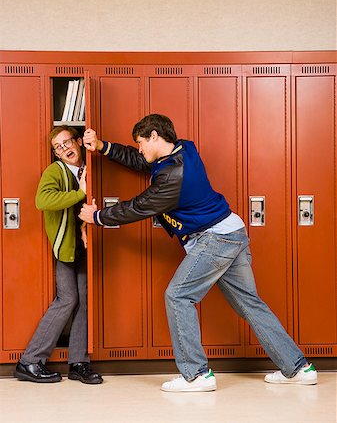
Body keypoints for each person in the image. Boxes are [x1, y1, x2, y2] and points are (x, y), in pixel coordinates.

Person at [80, 114, 317, 392]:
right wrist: (102, 146)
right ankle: (299, 368)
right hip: (233, 232)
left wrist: (97, 216)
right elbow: (141, 160)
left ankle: (196, 374)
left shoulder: (172, 177)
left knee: (178, 295)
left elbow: (139, 206)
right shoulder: (185, 148)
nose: (140, 148)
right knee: (250, 304)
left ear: (155, 136)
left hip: (214, 239)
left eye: (141, 142)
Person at [14, 125, 103, 385]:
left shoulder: (90, 168)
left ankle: (78, 364)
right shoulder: (55, 172)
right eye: (58, 147)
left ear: (77, 142)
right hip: (66, 248)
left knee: (84, 302)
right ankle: (29, 361)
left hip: (87, 245)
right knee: (67, 300)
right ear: (56, 154)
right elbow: (43, 201)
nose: (65, 149)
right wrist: (80, 192)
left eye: (67, 143)